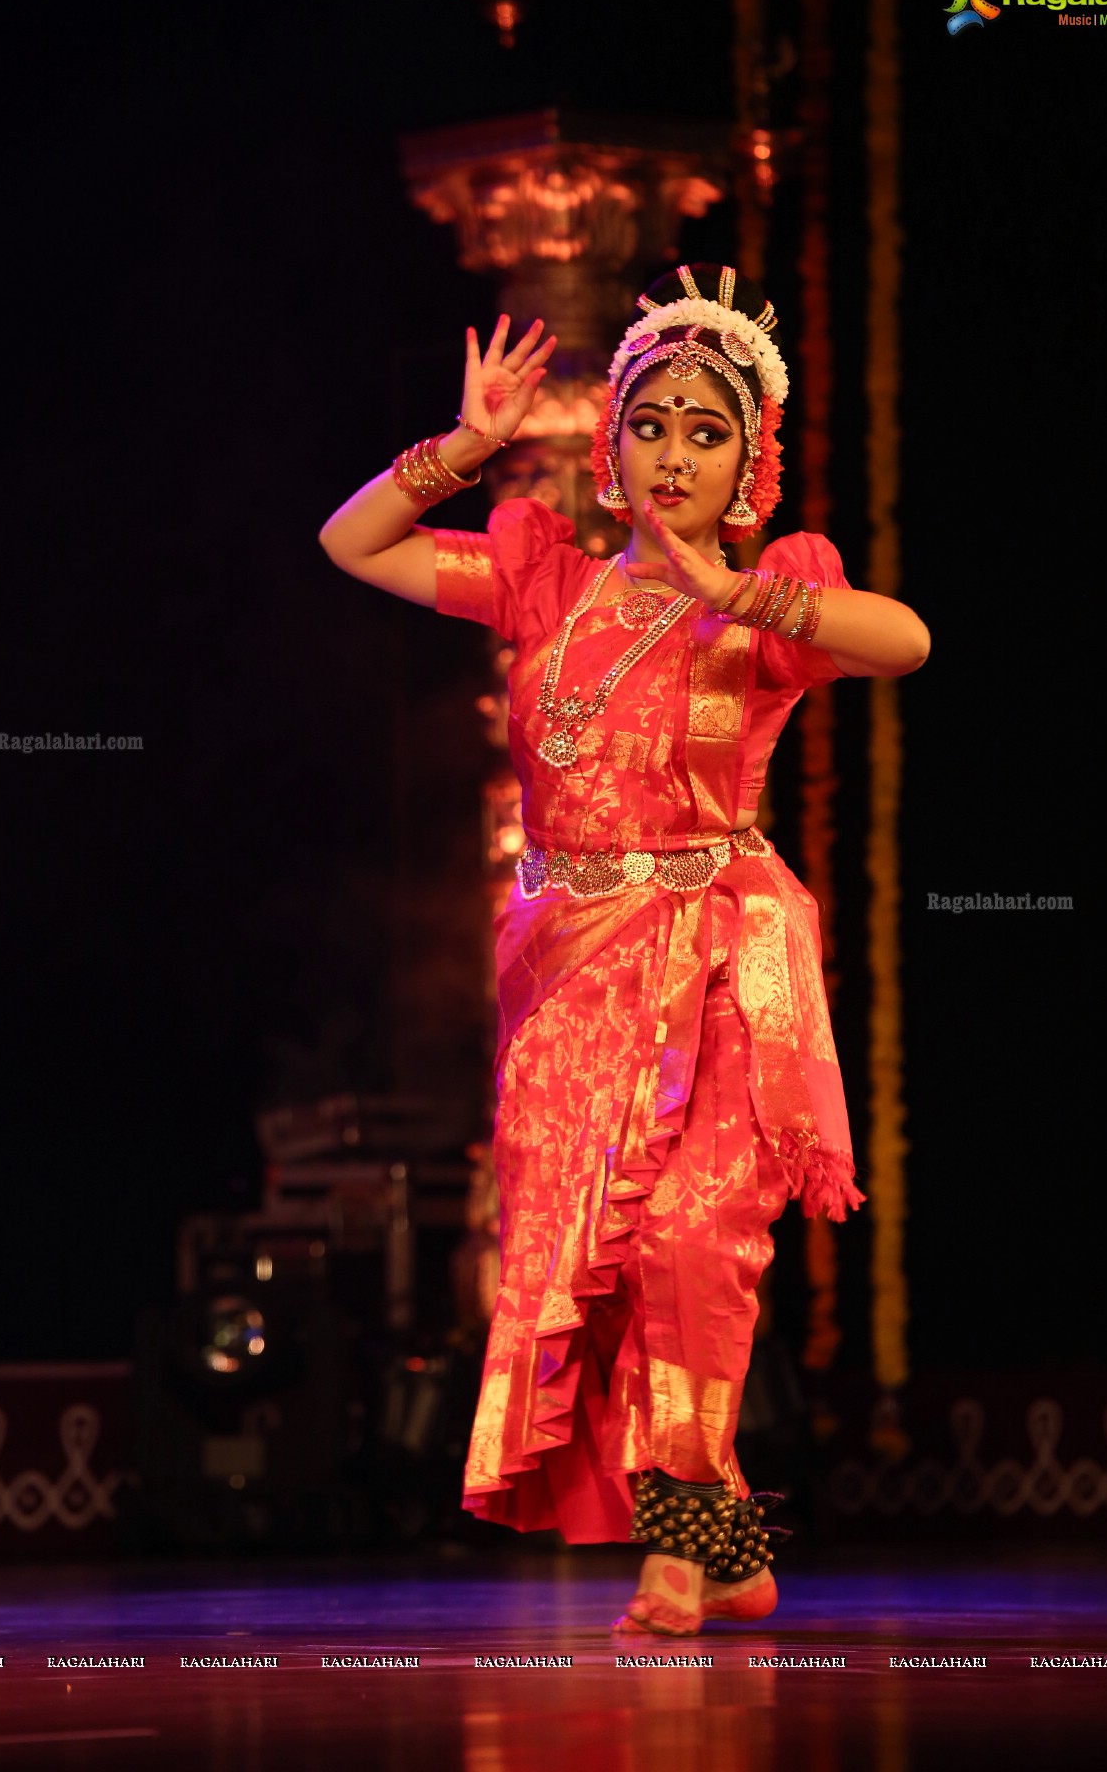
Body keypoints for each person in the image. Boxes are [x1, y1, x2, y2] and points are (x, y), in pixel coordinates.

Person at [318, 264, 929, 1635]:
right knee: (592, 1266)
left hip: (722, 954)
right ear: (610, 450)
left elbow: (907, 641)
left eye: (707, 435)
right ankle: (723, 1539)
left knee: (695, 1235)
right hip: (573, 980)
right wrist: (463, 452)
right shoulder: (546, 584)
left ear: (749, 465)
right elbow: (352, 546)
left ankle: (678, 1540)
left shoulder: (771, 597)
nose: (672, 458)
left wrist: (749, 600)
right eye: (650, 426)